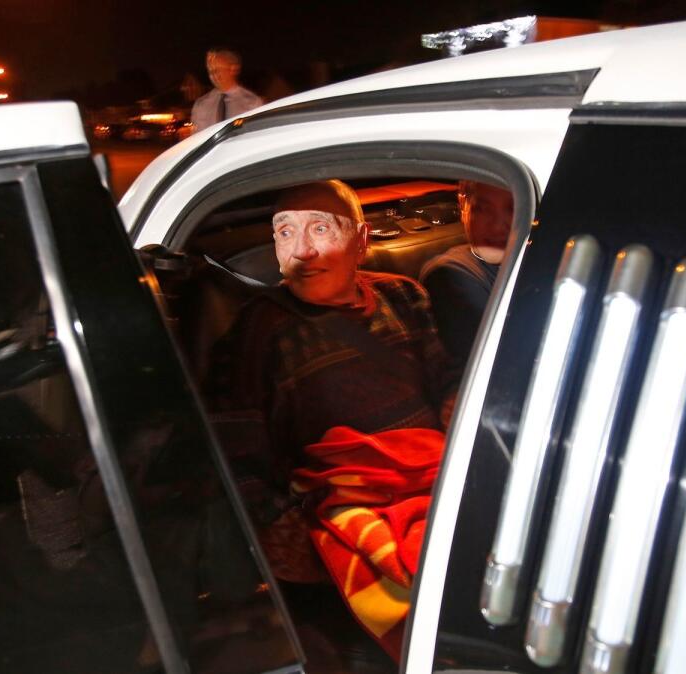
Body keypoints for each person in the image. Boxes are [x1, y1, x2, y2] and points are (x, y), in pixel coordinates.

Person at [205, 180, 458, 659]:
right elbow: (236, 444)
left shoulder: (404, 297)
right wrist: (274, 520)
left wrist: (458, 402)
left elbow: (445, 378)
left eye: (321, 229)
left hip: (432, 472)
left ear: (361, 241)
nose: (302, 251)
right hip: (342, 499)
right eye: (285, 232)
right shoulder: (256, 331)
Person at [419, 180, 515, 367]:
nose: (496, 226)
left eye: (513, 209)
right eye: (482, 209)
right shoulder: (451, 275)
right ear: (463, 206)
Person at [190, 47, 264, 131]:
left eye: (217, 70)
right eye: (211, 71)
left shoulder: (252, 103)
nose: (213, 75)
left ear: (233, 69)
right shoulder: (201, 105)